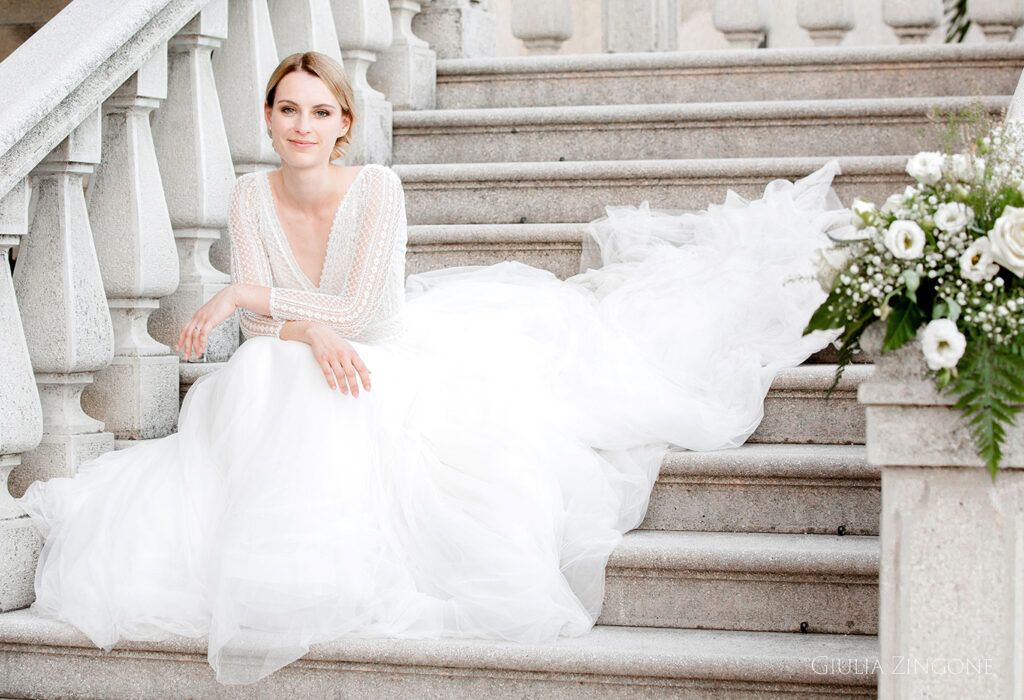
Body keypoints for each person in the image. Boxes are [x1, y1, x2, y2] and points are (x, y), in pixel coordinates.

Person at [17, 51, 850, 684]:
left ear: (344, 123)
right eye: (286, 110)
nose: (301, 126)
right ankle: (279, 559)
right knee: (266, 377)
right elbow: (283, 324)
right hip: (307, 363)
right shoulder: (248, 198)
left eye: (319, 112)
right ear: (268, 118)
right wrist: (297, 325)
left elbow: (370, 315)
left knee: (299, 377)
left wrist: (251, 300)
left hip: (397, 356)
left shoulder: (377, 189)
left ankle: (313, 563)